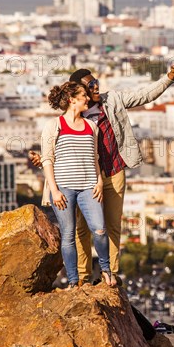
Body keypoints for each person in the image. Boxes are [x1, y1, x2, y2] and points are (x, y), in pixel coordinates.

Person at [31, 63, 174, 285]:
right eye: (90, 84)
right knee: (80, 230)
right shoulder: (68, 118)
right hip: (83, 178)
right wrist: (41, 160)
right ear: (77, 92)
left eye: (96, 82)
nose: (95, 87)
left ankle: (110, 273)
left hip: (113, 172)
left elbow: (143, 95)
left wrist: (168, 78)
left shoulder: (112, 101)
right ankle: (81, 277)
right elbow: (54, 151)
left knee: (110, 225)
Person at [41, 81, 115, 289]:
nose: (88, 99)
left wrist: (99, 181)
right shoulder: (54, 126)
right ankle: (74, 281)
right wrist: (54, 191)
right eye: (83, 96)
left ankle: (106, 269)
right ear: (72, 100)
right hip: (63, 188)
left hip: (88, 186)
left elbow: (96, 158)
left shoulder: (91, 127)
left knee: (99, 229)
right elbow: (48, 160)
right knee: (68, 235)